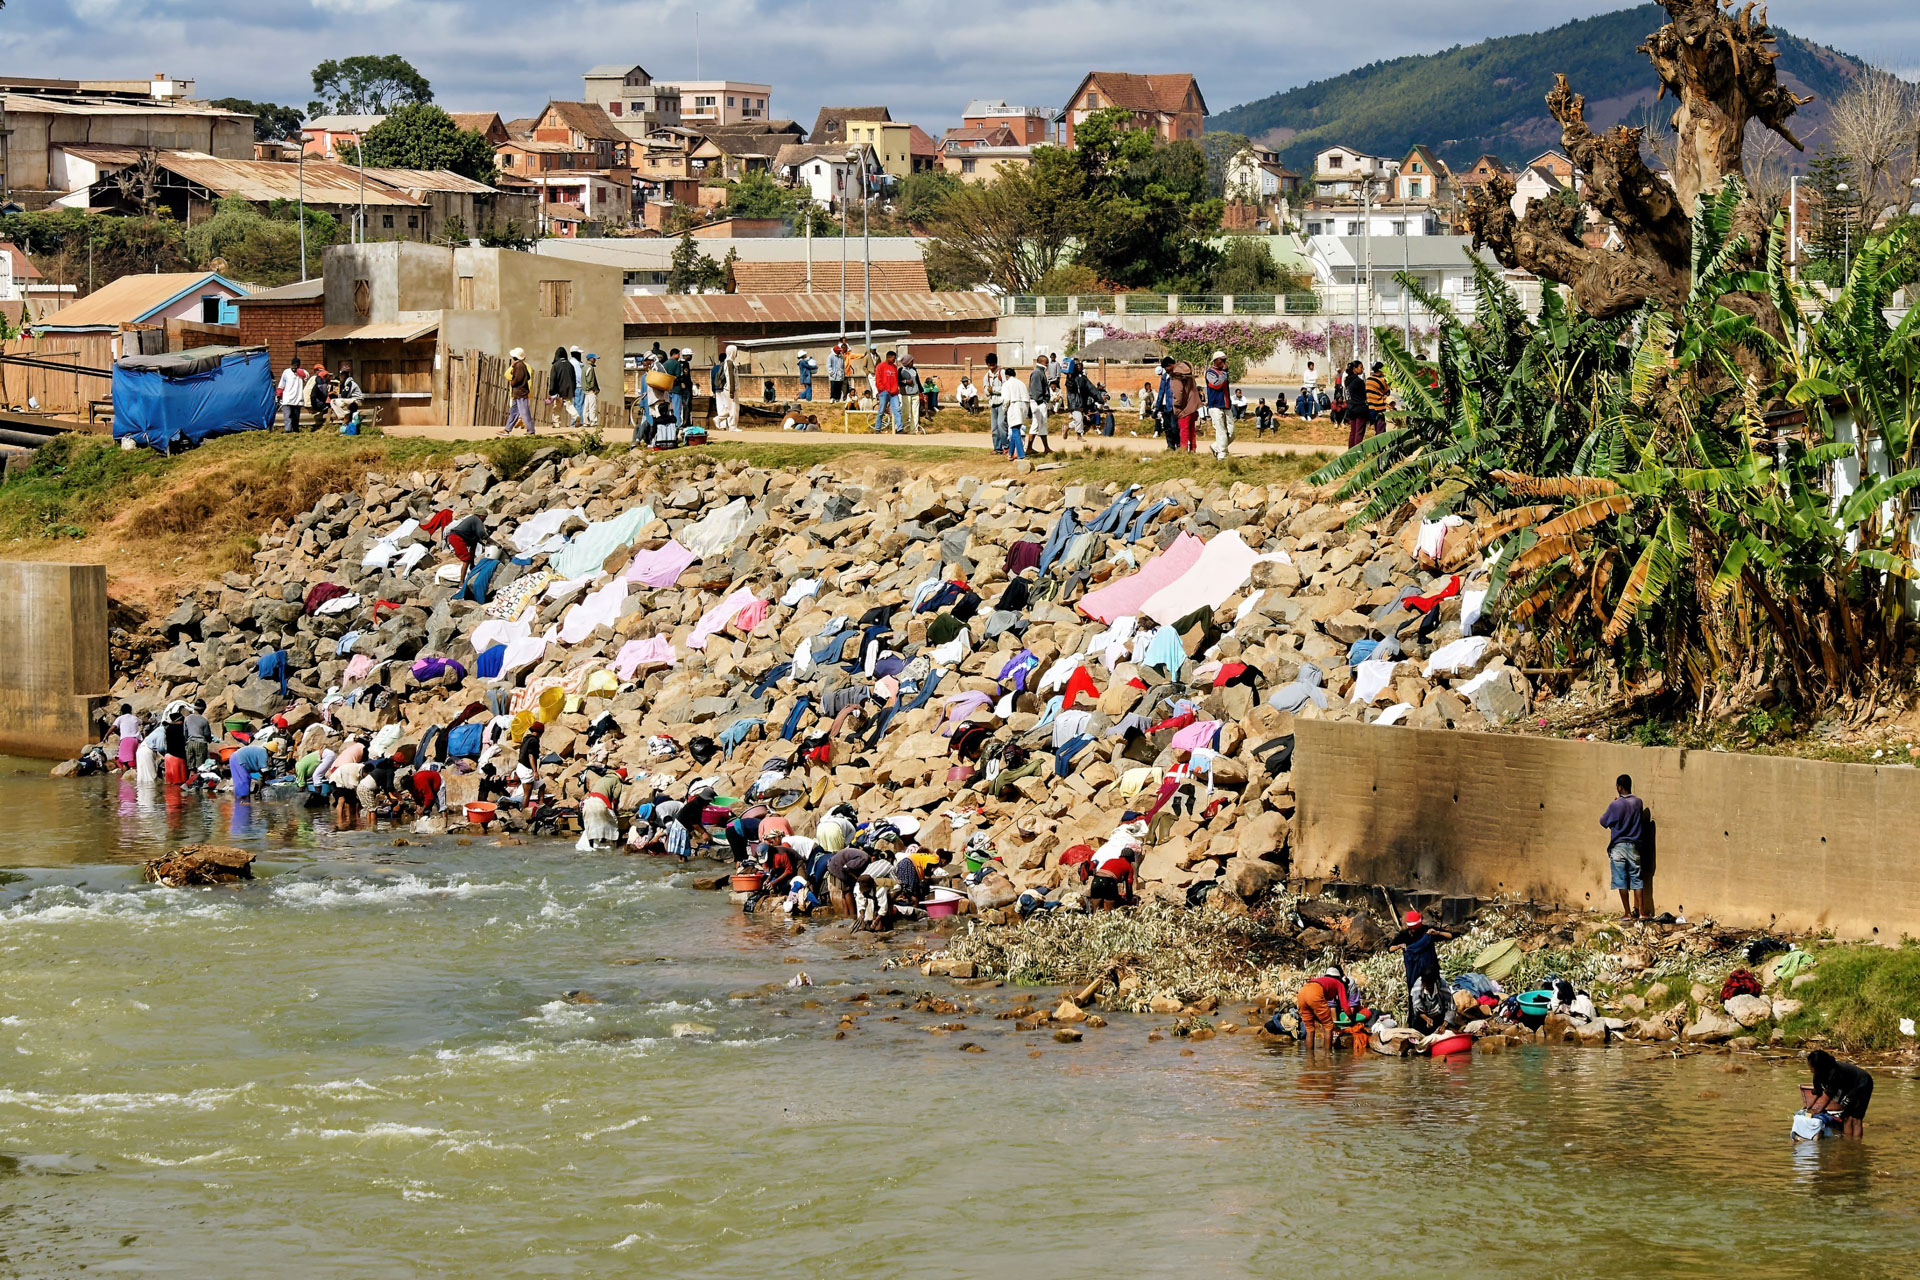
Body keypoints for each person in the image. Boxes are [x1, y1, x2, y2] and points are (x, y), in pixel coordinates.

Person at [1600, 773, 1650, 920]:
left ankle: (1627, 913)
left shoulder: (1615, 805)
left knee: (1621, 879)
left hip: (1618, 847)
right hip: (1634, 846)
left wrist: (1614, 805)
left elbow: (1603, 821)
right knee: (1636, 878)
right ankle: (1641, 912)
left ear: (1619, 787)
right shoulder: (1638, 803)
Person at [1806, 1049, 1874, 1138]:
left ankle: (1856, 1145)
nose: (1808, 1066)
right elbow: (1817, 1092)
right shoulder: (1818, 1074)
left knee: (1855, 1119)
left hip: (1862, 1084)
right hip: (1848, 1086)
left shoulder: (1834, 1073)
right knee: (1846, 1117)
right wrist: (1808, 1107)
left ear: (1818, 1065)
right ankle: (1847, 1143)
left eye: (1810, 1065)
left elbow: (1827, 1096)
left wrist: (1817, 1110)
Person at [1296, 965, 1354, 1053]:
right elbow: (1345, 1005)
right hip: (1314, 994)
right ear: (1338, 977)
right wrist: (1351, 1017)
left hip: (1302, 993)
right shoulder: (1339, 983)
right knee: (1329, 1026)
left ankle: (1309, 1058)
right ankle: (1328, 1057)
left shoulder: (1322, 980)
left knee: (1309, 1029)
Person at [1203, 351, 1233, 460]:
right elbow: (1216, 384)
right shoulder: (1210, 373)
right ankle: (1222, 455)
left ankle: (1216, 447)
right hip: (1215, 406)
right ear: (1216, 360)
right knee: (1221, 432)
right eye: (1222, 360)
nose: (1224, 362)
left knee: (1231, 432)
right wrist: (1224, 373)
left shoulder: (1223, 373)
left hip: (1225, 405)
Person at [1407, 969, 1452, 1036]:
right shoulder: (1418, 987)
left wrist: (1444, 1025)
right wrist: (1426, 1019)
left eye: (1430, 985)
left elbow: (1451, 1007)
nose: (1427, 987)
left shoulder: (1442, 985)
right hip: (1422, 1018)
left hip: (1439, 1016)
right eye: (1425, 984)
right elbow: (1417, 1009)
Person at [1171, 357, 1201, 452]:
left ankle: (1183, 449)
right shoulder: (1190, 376)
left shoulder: (1176, 376)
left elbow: (1178, 393)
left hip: (1184, 408)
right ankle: (1193, 449)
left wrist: (1176, 405)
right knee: (1192, 429)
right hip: (1194, 406)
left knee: (1184, 430)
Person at [504, 348, 535, 435]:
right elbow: (528, 377)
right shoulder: (522, 365)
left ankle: (531, 430)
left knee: (525, 412)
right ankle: (507, 429)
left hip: (520, 393)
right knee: (514, 412)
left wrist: (513, 383)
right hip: (518, 393)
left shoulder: (519, 366)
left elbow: (516, 379)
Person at [1026, 355, 1052, 455]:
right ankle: (1030, 448)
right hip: (1038, 403)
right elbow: (1036, 390)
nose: (1048, 365)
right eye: (1046, 363)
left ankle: (1045, 448)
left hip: (1039, 402)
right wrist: (1041, 401)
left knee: (1041, 425)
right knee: (1037, 424)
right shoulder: (1037, 373)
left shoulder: (1040, 372)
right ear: (1042, 363)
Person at [873, 349, 902, 433]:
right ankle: (877, 428)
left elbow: (895, 379)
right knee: (881, 410)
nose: (894, 360)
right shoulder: (880, 366)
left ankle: (900, 428)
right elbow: (878, 379)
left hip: (894, 392)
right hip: (884, 391)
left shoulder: (894, 367)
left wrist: (896, 388)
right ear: (888, 357)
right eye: (893, 358)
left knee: (897, 409)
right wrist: (881, 389)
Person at [713, 345, 740, 431]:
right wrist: (732, 390)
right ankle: (732, 426)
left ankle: (719, 419)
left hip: (730, 388)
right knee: (733, 408)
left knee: (731, 408)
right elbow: (730, 378)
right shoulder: (729, 362)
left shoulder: (729, 362)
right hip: (730, 389)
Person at [1342, 360, 1370, 448]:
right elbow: (1364, 396)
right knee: (1359, 432)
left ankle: (1350, 451)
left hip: (1351, 408)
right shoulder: (1359, 381)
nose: (1362, 369)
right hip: (1359, 409)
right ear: (1355, 369)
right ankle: (1357, 452)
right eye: (1361, 367)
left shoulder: (1347, 380)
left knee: (1353, 432)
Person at [277, 357, 307, 433]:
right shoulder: (286, 372)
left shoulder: (302, 372)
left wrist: (297, 371)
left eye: (296, 365)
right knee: (288, 416)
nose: (294, 367)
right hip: (287, 399)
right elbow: (281, 385)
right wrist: (279, 394)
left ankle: (296, 431)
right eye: (293, 365)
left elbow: (306, 376)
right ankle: (288, 430)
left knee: (296, 417)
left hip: (297, 399)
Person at [661, 348, 688, 429]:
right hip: (676, 389)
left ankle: (667, 424)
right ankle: (677, 424)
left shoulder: (664, 364)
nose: (679, 356)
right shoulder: (677, 364)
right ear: (675, 354)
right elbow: (678, 376)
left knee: (667, 408)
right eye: (678, 354)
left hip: (666, 389)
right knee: (677, 408)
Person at [183, 700, 212, 774]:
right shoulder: (204, 720)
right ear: (203, 709)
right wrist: (209, 740)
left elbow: (185, 733)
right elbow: (207, 734)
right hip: (200, 744)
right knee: (200, 767)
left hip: (190, 743)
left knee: (191, 768)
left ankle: (190, 781)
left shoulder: (187, 718)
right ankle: (199, 782)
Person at [1155, 358, 1178, 450]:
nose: (1166, 369)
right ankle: (1170, 446)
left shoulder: (1176, 376)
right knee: (1167, 427)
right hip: (1164, 406)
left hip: (1173, 405)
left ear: (1170, 365)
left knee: (1174, 427)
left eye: (1166, 367)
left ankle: (1178, 445)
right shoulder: (1164, 376)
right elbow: (1161, 392)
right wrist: (1157, 407)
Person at [896, 353, 922, 434]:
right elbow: (898, 381)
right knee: (905, 412)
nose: (913, 362)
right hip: (905, 394)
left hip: (915, 394)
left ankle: (914, 430)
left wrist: (921, 390)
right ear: (907, 362)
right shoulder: (900, 370)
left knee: (915, 413)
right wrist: (906, 382)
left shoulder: (914, 369)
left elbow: (917, 381)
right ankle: (900, 428)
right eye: (911, 361)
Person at [112, 703, 142, 772]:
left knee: (124, 762)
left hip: (126, 740)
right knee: (134, 760)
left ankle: (124, 780)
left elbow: (113, 727)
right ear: (130, 711)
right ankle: (136, 777)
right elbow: (142, 722)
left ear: (121, 712)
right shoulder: (135, 718)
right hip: (135, 741)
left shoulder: (120, 718)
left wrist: (106, 736)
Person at [1366, 361, 1392, 436]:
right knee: (1380, 430)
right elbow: (1387, 392)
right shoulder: (1382, 380)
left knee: (1376, 428)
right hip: (1379, 407)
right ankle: (1381, 447)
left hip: (1370, 407)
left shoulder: (1368, 379)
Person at [580, 353, 601, 429]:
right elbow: (590, 380)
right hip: (591, 390)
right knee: (592, 406)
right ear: (591, 359)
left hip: (585, 390)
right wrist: (593, 388)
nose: (595, 360)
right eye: (594, 358)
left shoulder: (584, 367)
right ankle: (593, 421)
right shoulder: (590, 368)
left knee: (586, 407)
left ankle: (586, 422)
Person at [569, 347, 587, 427]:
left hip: (573, 386)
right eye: (579, 354)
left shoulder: (571, 362)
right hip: (579, 386)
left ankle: (575, 422)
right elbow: (579, 376)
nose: (580, 355)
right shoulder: (576, 363)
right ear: (576, 354)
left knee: (575, 404)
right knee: (579, 405)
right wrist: (584, 385)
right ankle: (577, 422)